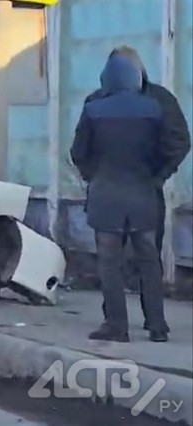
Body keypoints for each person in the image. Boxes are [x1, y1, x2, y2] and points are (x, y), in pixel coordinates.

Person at [71, 54, 185, 343]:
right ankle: (158, 326)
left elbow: (78, 152)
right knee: (149, 260)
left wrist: (92, 176)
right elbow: (170, 145)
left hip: (106, 195)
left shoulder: (94, 107)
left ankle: (117, 326)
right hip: (144, 194)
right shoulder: (155, 107)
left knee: (110, 262)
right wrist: (156, 176)